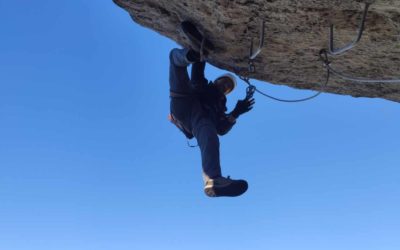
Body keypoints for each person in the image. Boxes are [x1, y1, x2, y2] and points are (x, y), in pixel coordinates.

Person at [168, 22, 255, 197]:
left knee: (210, 136)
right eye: (223, 81)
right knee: (175, 60)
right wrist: (202, 56)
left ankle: (213, 180)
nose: (225, 85)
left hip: (194, 118)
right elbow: (197, 75)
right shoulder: (203, 86)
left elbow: (221, 129)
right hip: (186, 102)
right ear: (216, 81)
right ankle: (195, 53)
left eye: (228, 87)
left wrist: (237, 112)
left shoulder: (218, 109)